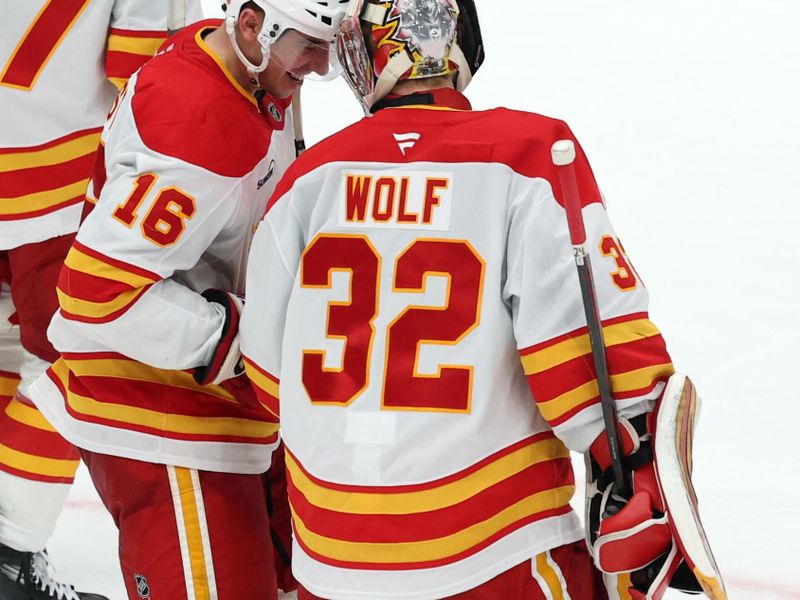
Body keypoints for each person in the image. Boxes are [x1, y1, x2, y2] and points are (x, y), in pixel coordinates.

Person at [239, 0, 704, 598]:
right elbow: (583, 346)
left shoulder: (308, 179)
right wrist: (634, 465)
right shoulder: (530, 152)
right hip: (490, 555)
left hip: (331, 558)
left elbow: (267, 372)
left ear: (364, 52)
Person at [28, 1, 347, 598]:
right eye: (309, 43)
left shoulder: (238, 64)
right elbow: (96, 292)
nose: (322, 63)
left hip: (217, 408)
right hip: (156, 415)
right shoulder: (200, 121)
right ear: (253, 24)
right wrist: (247, 342)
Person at [0, 1, 202, 598]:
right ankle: (12, 550)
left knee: (6, 352)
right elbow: (137, 70)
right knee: (73, 361)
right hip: (54, 187)